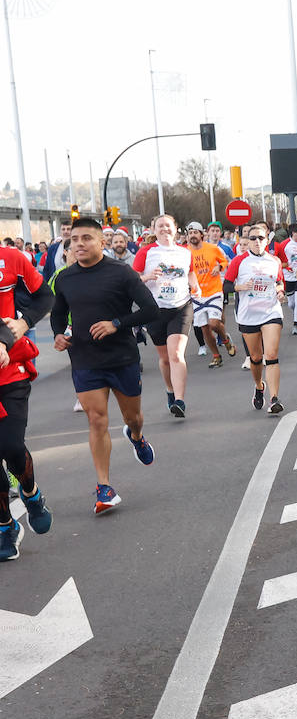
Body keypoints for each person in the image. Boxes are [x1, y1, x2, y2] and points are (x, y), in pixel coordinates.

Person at [50, 218, 159, 515]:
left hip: (122, 358)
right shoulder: (65, 278)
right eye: (75, 239)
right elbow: (58, 314)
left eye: (87, 238)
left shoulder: (121, 273)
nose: (80, 243)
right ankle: (104, 487)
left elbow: (151, 309)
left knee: (133, 417)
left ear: (102, 242)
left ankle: (136, 436)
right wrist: (59, 334)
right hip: (85, 360)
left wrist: (116, 324)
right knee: (96, 419)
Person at [0, 235, 55, 559]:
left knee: (9, 446)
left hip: (10, 373)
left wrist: (21, 324)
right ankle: (6, 526)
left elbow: (44, 296)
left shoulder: (12, 258)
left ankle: (31, 493)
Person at [132, 214, 199, 417]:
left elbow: (190, 272)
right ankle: (170, 390)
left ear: (175, 229)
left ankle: (179, 400)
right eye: (160, 226)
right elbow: (132, 281)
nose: (164, 229)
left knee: (176, 354)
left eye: (167, 225)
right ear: (154, 230)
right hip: (155, 310)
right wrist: (147, 277)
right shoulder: (146, 252)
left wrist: (195, 285)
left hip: (181, 306)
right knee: (165, 359)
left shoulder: (184, 252)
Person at [225, 223, 286, 414]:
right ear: (247, 241)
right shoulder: (239, 261)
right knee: (256, 357)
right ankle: (259, 386)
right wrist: (240, 287)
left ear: (267, 240)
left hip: (271, 312)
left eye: (261, 238)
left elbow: (279, 282)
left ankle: (274, 398)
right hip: (248, 315)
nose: (257, 242)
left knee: (271, 355)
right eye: (253, 238)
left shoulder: (274, 261)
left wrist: (280, 291)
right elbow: (226, 286)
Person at [187, 222, 236, 368]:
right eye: (190, 233)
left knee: (214, 323)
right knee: (204, 328)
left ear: (201, 234)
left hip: (214, 290)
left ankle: (225, 339)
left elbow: (225, 262)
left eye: (195, 233)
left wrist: (218, 266)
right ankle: (216, 356)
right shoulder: (185, 252)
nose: (193, 236)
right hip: (196, 294)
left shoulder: (213, 249)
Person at [275, 223, 297, 333]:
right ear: (293, 233)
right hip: (288, 277)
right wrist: (287, 266)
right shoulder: (284, 245)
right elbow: (278, 261)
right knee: (291, 304)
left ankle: (295, 325)